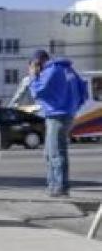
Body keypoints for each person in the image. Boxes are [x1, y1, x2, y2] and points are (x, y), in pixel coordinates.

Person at [27, 49, 88, 198]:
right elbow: (84, 92)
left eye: (35, 64)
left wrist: (33, 75)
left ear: (39, 62)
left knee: (56, 152)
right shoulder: (69, 70)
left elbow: (37, 91)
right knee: (50, 152)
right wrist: (73, 107)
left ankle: (60, 186)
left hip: (57, 116)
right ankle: (54, 185)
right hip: (67, 115)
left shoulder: (51, 71)